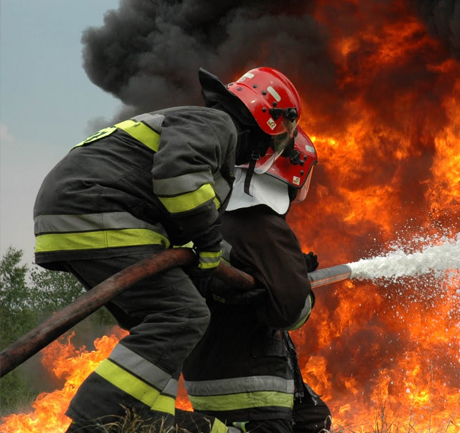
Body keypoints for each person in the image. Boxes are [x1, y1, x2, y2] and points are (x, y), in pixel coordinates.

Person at [32, 66, 303, 433]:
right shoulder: (217, 125)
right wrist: (209, 246)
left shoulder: (202, 130)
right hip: (98, 210)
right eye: (282, 136)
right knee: (184, 315)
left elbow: (179, 219)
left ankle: (144, 421)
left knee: (159, 324)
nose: (274, 147)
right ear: (268, 118)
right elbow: (177, 178)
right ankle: (96, 422)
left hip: (75, 214)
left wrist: (219, 272)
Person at [181, 127, 332, 433]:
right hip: (251, 384)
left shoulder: (213, 216)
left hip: (206, 372)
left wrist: (288, 269)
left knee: (314, 418)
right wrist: (298, 284)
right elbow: (292, 311)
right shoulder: (263, 223)